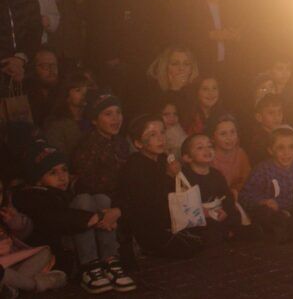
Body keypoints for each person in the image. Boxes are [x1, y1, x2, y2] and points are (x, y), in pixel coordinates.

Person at [13, 141, 136, 293]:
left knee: (101, 199)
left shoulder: (70, 189)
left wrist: (115, 212)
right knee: (83, 201)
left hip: (76, 238)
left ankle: (109, 261)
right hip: (59, 252)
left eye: (64, 170)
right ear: (38, 179)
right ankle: (89, 266)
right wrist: (99, 217)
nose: (61, 176)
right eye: (53, 172)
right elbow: (57, 218)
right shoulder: (32, 196)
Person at [118, 114, 203, 258]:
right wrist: (168, 176)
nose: (160, 138)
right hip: (147, 226)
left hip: (169, 223)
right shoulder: (135, 165)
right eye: (152, 135)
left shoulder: (165, 159)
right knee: (187, 248)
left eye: (162, 132)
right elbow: (146, 203)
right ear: (138, 143)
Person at [239, 126, 293, 243]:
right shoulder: (263, 170)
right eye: (280, 148)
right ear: (270, 150)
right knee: (264, 214)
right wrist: (264, 201)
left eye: (291, 147)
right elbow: (244, 196)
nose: (287, 153)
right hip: (276, 212)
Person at [0, 175, 67, 294]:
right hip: (3, 266)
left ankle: (11, 287)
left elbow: (24, 235)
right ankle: (35, 284)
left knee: (44, 252)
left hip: (15, 263)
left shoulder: (4, 212)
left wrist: (15, 222)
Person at [180, 133, 241, 243]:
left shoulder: (216, 174)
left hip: (218, 212)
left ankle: (230, 232)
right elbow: (183, 203)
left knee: (236, 216)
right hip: (199, 216)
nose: (207, 150)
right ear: (187, 157)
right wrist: (203, 212)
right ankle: (226, 234)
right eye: (200, 147)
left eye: (210, 146)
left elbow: (227, 195)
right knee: (208, 229)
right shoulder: (184, 176)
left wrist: (226, 210)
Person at [43, 72, 95, 156]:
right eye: (78, 90)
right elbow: (58, 156)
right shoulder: (56, 124)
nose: (84, 94)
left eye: (87, 89)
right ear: (66, 96)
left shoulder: (94, 119)